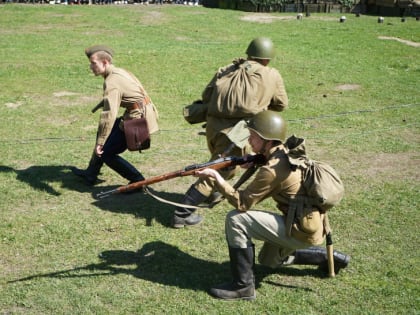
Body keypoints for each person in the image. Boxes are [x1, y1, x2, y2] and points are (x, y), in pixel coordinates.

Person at [194, 110, 350, 300]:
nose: (249, 141)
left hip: (300, 229)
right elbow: (273, 167)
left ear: (267, 140)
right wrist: (254, 160)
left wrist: (217, 178)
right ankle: (326, 257)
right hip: (310, 225)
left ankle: (243, 287)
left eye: (253, 136)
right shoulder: (283, 152)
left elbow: (242, 203)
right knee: (268, 261)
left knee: (236, 219)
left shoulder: (272, 169)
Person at [172, 37, 288, 228]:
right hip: (238, 133)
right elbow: (281, 104)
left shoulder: (227, 69)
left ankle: (215, 193)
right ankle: (182, 213)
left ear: (249, 53)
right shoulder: (271, 75)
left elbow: (206, 96)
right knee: (216, 170)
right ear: (267, 58)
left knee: (228, 166)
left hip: (212, 127)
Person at [72, 45, 158, 186]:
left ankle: (138, 180)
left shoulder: (112, 82)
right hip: (142, 113)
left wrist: (100, 143)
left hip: (137, 120)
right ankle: (91, 173)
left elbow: (108, 115)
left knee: (106, 152)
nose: (90, 67)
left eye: (93, 63)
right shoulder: (119, 72)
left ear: (105, 62)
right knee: (106, 135)